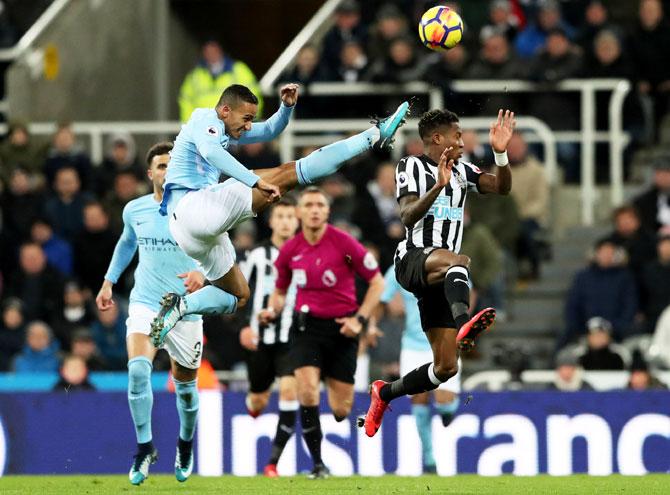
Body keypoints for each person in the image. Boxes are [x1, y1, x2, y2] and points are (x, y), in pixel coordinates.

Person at [150, 83, 409, 347]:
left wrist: (287, 107)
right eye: (246, 118)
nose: (249, 126)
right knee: (290, 173)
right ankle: (375, 134)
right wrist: (254, 181)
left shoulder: (226, 128)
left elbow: (271, 129)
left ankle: (179, 307)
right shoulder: (204, 118)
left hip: (190, 233)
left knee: (238, 295)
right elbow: (210, 152)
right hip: (192, 208)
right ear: (226, 110)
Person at [361, 108, 516, 438]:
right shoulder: (410, 166)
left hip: (441, 277)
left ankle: (383, 394)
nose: (462, 141)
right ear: (437, 139)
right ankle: (465, 325)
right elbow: (406, 216)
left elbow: (500, 187)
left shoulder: (463, 170)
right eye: (457, 135)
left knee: (446, 368)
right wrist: (437, 187)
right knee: (459, 261)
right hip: (413, 260)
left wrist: (500, 154)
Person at [95, 142, 207, 485]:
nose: (167, 171)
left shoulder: (197, 208)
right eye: (161, 166)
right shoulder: (135, 210)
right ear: (151, 173)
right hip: (146, 302)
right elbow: (128, 242)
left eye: (172, 166)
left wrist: (203, 273)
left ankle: (185, 445)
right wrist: (108, 282)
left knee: (186, 388)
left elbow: (218, 250)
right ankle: (145, 448)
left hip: (185, 310)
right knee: (139, 371)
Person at [259, 187, 384, 478]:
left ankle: (341, 392)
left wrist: (360, 320)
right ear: (300, 212)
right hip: (306, 328)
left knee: (341, 409)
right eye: (309, 205)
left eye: (320, 205)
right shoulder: (291, 250)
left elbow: (376, 282)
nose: (314, 210)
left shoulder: (345, 244)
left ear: (327, 211)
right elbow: (279, 292)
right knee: (307, 391)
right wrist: (271, 310)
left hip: (342, 329)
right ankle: (318, 464)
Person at [378, 266, 461, 474]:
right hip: (413, 345)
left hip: (445, 342)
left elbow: (467, 292)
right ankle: (429, 459)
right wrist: (372, 323)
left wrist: (463, 326)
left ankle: (447, 410)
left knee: (444, 400)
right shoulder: (400, 266)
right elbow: (382, 296)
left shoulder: (447, 262)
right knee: (419, 400)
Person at [238, 197, 299, 477]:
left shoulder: (305, 253)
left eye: (290, 216)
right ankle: (253, 405)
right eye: (281, 216)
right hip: (260, 339)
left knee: (289, 391)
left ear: (296, 220)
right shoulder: (257, 254)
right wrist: (245, 326)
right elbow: (238, 292)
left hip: (293, 338)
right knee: (259, 400)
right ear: (271, 221)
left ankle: (272, 462)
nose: (286, 221)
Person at [179, 40, 263, 122]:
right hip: (204, 130)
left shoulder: (239, 70)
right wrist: (191, 125)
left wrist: (244, 122)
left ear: (220, 49)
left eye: (213, 49)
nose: (211, 53)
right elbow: (185, 101)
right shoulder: (195, 75)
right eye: (207, 50)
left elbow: (253, 97)